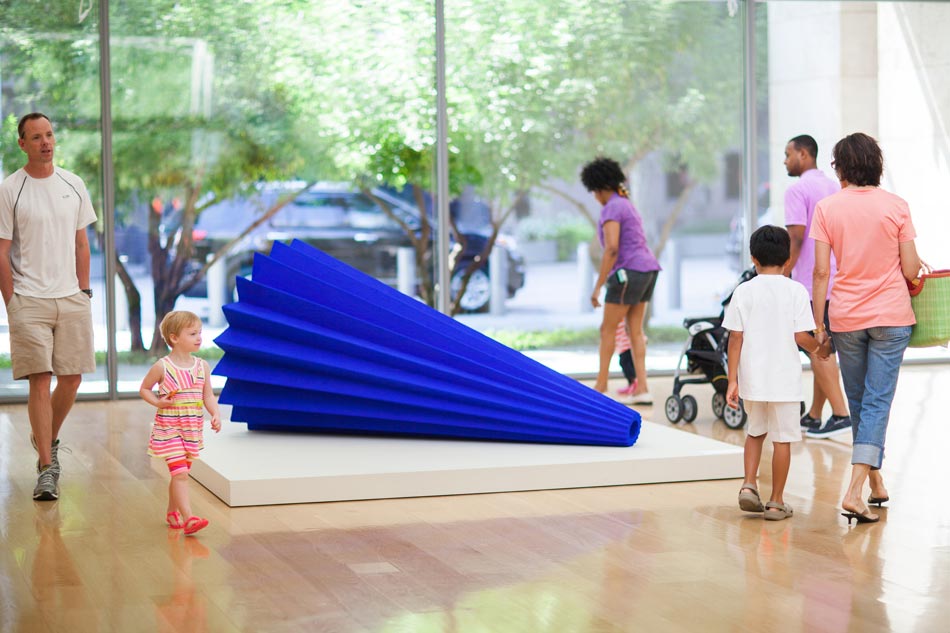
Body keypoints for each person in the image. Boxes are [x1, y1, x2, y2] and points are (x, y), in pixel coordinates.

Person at [811, 132, 924, 524]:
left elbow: (822, 270)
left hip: (845, 318)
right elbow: (910, 269)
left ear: (841, 167)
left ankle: (874, 485)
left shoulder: (827, 208)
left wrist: (818, 325)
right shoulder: (896, 206)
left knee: (860, 403)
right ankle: (856, 490)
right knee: (874, 404)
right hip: (891, 317)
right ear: (876, 165)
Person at [0, 113, 97, 501]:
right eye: (36, 137)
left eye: (50, 135)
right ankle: (46, 466)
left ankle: (45, 436)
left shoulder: (73, 184)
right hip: (29, 298)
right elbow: (2, 251)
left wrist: (85, 292)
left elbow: (81, 244)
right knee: (40, 379)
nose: (46, 142)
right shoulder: (10, 188)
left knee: (71, 379)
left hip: (72, 297)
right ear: (22, 144)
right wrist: (12, 302)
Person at [724, 225, 821, 521]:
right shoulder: (796, 291)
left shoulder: (743, 291)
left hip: (753, 379)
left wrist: (732, 380)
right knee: (782, 441)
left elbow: (735, 338)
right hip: (785, 382)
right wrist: (818, 347)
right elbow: (801, 337)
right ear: (788, 260)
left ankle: (749, 485)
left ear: (753, 259)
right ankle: (777, 502)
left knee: (755, 433)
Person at [782, 134, 851, 438]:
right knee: (822, 348)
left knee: (815, 348)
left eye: (788, 154)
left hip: (813, 283)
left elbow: (796, 237)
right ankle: (814, 415)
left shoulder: (797, 190)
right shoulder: (835, 186)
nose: (785, 161)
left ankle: (841, 414)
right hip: (839, 279)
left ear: (804, 154)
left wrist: (783, 273)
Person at [581, 157, 661, 405]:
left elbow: (612, 249)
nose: (595, 197)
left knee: (607, 330)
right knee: (634, 331)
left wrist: (597, 287)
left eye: (594, 191)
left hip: (629, 273)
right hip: (648, 270)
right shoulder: (626, 204)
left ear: (600, 187)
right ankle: (642, 388)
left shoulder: (612, 208)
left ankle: (601, 386)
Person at [139, 311, 221, 536]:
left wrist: (215, 413)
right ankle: (189, 517)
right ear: (174, 338)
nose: (199, 337)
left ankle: (171, 511)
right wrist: (158, 402)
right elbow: (144, 389)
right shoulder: (162, 367)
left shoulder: (202, 366)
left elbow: (207, 395)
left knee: (180, 473)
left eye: (200, 333)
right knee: (181, 474)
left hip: (191, 430)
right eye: (193, 333)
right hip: (170, 430)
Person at [614, 321, 637, 396]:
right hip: (622, 346)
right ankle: (631, 384)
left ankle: (634, 382)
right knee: (625, 364)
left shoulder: (624, 318)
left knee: (625, 363)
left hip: (627, 346)